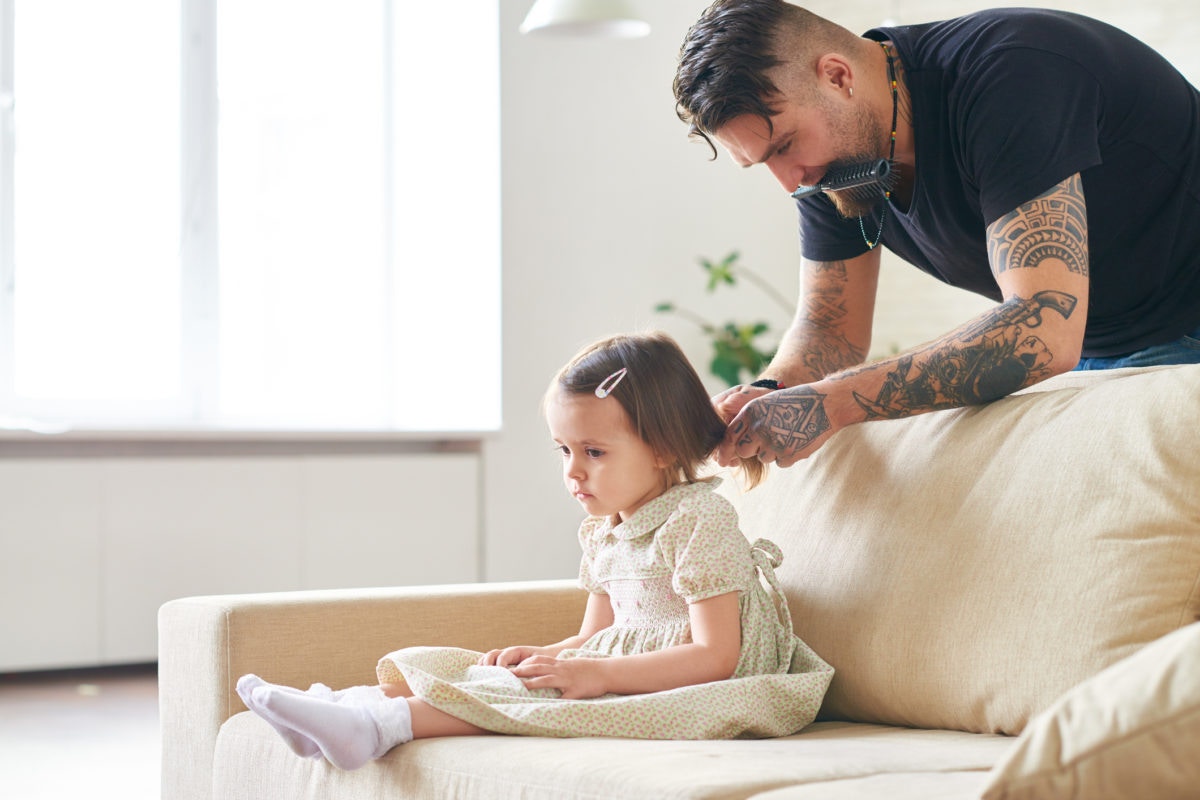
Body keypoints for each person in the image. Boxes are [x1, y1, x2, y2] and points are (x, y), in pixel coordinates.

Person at [236, 331, 833, 770]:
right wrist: (551, 655)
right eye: (563, 450)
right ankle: (345, 706)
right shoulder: (605, 531)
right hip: (625, 669)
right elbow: (597, 634)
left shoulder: (697, 518)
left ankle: (376, 726)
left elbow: (716, 656)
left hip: (703, 690)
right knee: (486, 673)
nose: (573, 471)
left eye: (593, 452)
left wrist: (593, 674)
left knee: (546, 702)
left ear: (660, 448)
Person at [672, 1, 1200, 468]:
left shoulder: (1010, 75)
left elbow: (1041, 328)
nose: (790, 180)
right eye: (762, 162)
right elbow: (830, 332)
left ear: (837, 76)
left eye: (784, 145)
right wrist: (770, 392)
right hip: (1100, 345)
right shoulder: (831, 168)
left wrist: (831, 402)